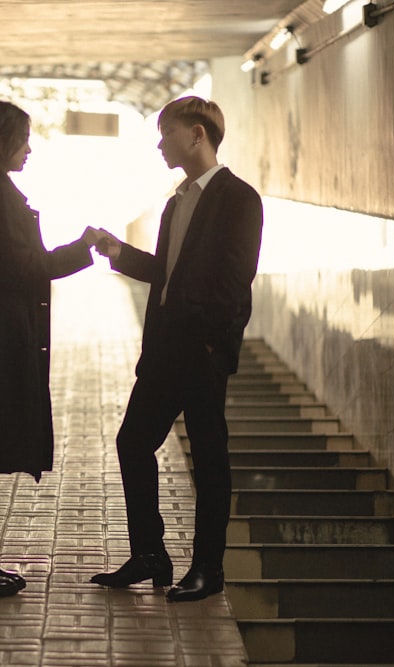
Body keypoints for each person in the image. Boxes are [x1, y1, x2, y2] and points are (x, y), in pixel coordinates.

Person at [90, 96, 263, 602]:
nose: (160, 142)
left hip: (202, 351)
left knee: (210, 460)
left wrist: (210, 339)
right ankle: (150, 554)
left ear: (197, 135)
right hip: (166, 350)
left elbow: (235, 279)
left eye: (167, 131)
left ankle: (208, 569)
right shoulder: (176, 201)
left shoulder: (239, 198)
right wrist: (119, 253)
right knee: (132, 443)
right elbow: (167, 272)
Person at [0, 100, 104, 597]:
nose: (30, 149)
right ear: (1, 141)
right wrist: (82, 247)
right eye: (23, 139)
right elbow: (27, 268)